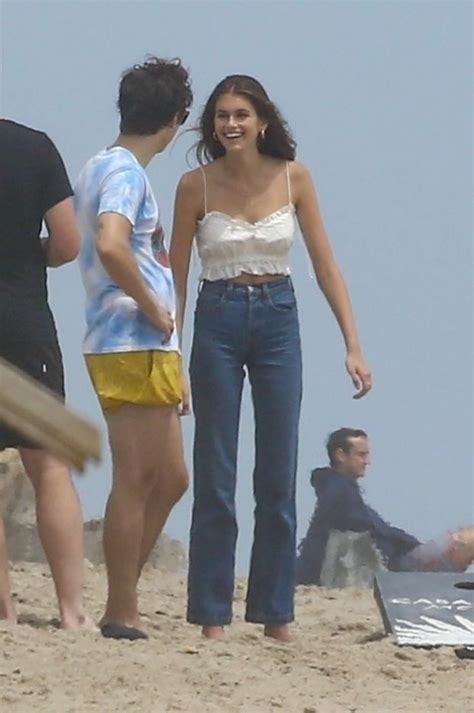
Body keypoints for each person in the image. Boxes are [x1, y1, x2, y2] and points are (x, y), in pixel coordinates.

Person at [169, 74, 372, 642]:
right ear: (212, 125)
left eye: (241, 115)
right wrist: (173, 356)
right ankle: (212, 614)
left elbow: (326, 265)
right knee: (216, 470)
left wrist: (352, 343)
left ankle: (274, 613)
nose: (231, 125)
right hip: (218, 316)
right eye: (222, 116)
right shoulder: (194, 186)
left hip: (280, 318)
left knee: (277, 473)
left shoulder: (294, 177)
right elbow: (176, 280)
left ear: (262, 121)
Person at [75, 57, 193, 640]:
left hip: (143, 345)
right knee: (138, 475)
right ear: (174, 121)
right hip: (130, 339)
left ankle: (124, 591)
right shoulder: (124, 173)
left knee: (171, 477)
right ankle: (121, 607)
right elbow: (112, 244)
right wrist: (153, 308)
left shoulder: (101, 165)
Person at [0, 119, 94, 629]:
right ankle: (71, 610)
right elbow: (67, 243)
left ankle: (4, 611)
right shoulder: (33, 146)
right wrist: (25, 254)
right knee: (49, 466)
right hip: (21, 321)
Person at [296, 428, 474, 584]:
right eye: (361, 455)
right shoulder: (339, 491)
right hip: (398, 570)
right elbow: (368, 528)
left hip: (396, 563)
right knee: (467, 539)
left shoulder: (339, 490)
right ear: (341, 455)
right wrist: (408, 544)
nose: (367, 461)